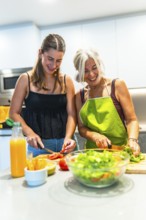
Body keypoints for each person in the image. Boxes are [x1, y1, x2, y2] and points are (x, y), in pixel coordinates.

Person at [9, 34, 77, 157]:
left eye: (59, 60)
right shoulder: (26, 80)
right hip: (38, 147)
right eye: (50, 59)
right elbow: (13, 113)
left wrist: (68, 138)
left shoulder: (67, 81)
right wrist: (29, 132)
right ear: (40, 53)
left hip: (65, 146)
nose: (54, 65)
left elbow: (72, 114)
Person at [73, 48, 140, 156]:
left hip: (120, 151)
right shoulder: (79, 96)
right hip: (92, 154)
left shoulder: (117, 85)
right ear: (80, 72)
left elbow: (132, 120)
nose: (91, 74)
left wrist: (132, 140)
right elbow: (81, 128)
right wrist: (95, 136)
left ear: (99, 65)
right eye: (85, 71)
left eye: (94, 68)